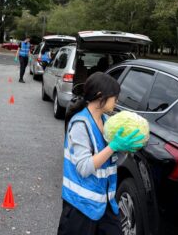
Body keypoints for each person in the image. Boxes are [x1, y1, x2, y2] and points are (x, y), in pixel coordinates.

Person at [58, 72, 144, 235]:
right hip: (80, 207)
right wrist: (113, 146)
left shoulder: (106, 121)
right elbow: (84, 168)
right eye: (114, 97)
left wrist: (123, 148)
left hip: (105, 204)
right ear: (100, 96)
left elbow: (107, 159)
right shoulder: (80, 124)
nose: (117, 101)